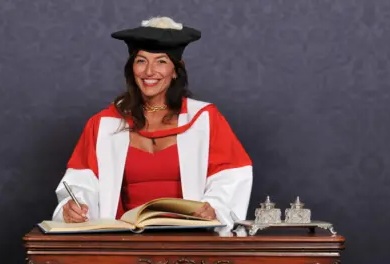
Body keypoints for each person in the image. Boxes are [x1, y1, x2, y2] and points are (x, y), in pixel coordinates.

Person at [51, 16, 253, 232]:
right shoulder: (104, 124)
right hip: (125, 238)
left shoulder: (204, 119)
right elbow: (81, 182)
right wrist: (74, 206)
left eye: (161, 61)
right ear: (132, 68)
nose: (149, 72)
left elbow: (230, 176)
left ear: (176, 70)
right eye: (141, 61)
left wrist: (214, 207)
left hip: (189, 240)